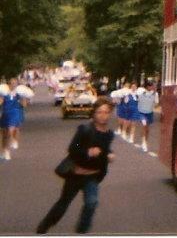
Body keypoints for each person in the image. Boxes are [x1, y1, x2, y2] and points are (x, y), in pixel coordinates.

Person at [36, 97, 115, 235]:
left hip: (92, 176)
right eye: (99, 112)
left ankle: (81, 231)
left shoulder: (109, 134)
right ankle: (44, 226)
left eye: (106, 112)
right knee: (63, 203)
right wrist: (88, 152)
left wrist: (109, 154)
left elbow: (104, 149)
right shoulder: (84, 130)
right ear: (94, 113)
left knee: (92, 203)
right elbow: (73, 148)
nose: (103, 116)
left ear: (110, 114)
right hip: (76, 175)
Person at [0, 77, 28, 160]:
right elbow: (1, 102)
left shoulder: (19, 93)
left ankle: (13, 141)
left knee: (11, 129)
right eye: (11, 83)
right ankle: (5, 151)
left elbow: (24, 105)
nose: (13, 85)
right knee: (4, 134)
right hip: (6, 114)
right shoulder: (4, 93)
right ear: (9, 84)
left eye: (15, 83)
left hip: (15, 112)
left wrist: (23, 99)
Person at [136, 81, 159, 152]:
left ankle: (145, 140)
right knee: (144, 125)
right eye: (151, 86)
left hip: (149, 112)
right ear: (147, 86)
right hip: (141, 112)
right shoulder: (141, 92)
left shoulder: (155, 94)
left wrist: (153, 105)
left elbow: (156, 103)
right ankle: (143, 142)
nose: (153, 87)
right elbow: (137, 99)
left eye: (153, 86)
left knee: (147, 128)